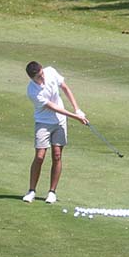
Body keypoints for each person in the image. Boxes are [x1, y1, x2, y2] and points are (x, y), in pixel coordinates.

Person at [23, 61, 88, 204]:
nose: (42, 78)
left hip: (60, 122)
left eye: (42, 74)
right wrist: (75, 117)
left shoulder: (51, 71)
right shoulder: (32, 91)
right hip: (43, 122)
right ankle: (31, 190)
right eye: (38, 77)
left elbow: (65, 88)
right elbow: (53, 107)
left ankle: (52, 192)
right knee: (39, 156)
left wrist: (77, 109)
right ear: (32, 78)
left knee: (57, 155)